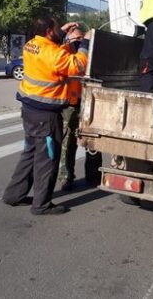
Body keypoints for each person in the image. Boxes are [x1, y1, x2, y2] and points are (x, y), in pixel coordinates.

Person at [2, 17, 91, 215]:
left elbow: (54, 54)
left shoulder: (31, 45)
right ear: (50, 31)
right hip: (46, 115)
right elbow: (77, 66)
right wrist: (85, 42)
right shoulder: (53, 53)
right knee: (48, 159)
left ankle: (13, 195)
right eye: (57, 28)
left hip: (29, 111)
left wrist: (64, 35)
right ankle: (41, 205)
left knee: (29, 154)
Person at [57, 25, 102, 191]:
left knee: (93, 141)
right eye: (76, 39)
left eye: (81, 39)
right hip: (70, 104)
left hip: (89, 102)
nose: (79, 42)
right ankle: (65, 177)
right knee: (67, 143)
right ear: (68, 38)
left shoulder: (91, 51)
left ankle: (94, 176)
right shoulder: (63, 51)